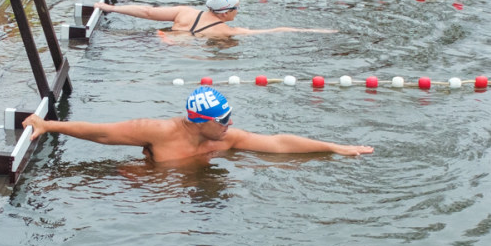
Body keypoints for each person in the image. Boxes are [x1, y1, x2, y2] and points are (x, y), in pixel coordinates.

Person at [24, 86, 372, 163]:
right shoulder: (157, 132)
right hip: (155, 189)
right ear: (199, 121)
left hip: (196, 192)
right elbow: (102, 133)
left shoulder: (226, 139)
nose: (230, 123)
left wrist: (333, 147)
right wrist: (49, 125)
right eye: (223, 120)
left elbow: (278, 144)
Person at [96, 0, 334, 39]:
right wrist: (311, 30)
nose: (238, 10)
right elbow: (273, 30)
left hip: (156, 39)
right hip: (171, 49)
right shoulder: (225, 31)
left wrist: (110, 7)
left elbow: (147, 12)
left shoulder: (183, 11)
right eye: (236, 7)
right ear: (225, 12)